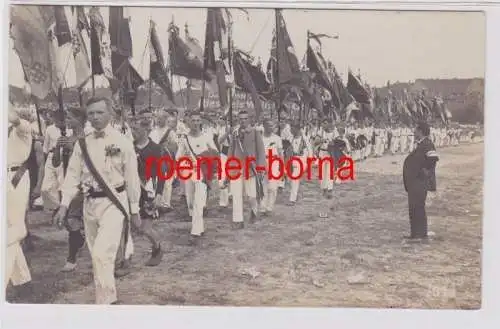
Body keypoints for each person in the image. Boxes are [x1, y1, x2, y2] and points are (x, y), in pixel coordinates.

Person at [54, 96, 141, 304]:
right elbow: (73, 175)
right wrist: (64, 206)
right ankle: (105, 298)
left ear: (110, 113)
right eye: (91, 113)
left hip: (114, 203)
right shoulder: (82, 144)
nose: (95, 117)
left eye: (99, 112)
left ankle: (107, 303)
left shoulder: (122, 142)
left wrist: (135, 210)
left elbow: (132, 178)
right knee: (97, 255)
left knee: (102, 254)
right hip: (89, 204)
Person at [52, 107, 88, 272]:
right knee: (68, 219)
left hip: (82, 185)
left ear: (80, 119)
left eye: (71, 118)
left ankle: (71, 258)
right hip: (66, 183)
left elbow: (87, 162)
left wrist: (73, 148)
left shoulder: (86, 138)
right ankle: (79, 239)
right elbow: (55, 163)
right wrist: (58, 148)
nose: (67, 121)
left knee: (73, 219)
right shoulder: (66, 137)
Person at [175, 110, 219, 244]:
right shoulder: (184, 139)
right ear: (188, 122)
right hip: (189, 173)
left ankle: (195, 233)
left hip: (202, 172)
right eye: (193, 121)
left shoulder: (206, 136)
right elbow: (178, 156)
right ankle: (199, 227)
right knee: (191, 202)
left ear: (201, 122)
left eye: (198, 121)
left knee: (199, 202)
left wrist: (205, 158)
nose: (195, 123)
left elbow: (215, 153)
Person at [127, 115, 165, 265]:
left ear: (145, 129)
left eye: (136, 129)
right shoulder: (129, 146)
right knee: (130, 225)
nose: (133, 131)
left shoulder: (156, 148)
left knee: (145, 229)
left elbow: (162, 173)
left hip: (148, 191)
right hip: (132, 190)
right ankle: (125, 258)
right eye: (132, 128)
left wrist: (159, 194)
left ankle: (157, 247)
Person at [6, 106, 33, 297]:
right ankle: (22, 279)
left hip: (17, 176)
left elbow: (16, 120)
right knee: (8, 227)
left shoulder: (24, 128)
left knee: (15, 228)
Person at [227, 110, 266, 229]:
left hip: (251, 168)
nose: (243, 121)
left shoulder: (255, 133)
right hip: (236, 168)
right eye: (240, 119)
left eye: (245, 119)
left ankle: (254, 211)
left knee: (251, 195)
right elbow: (231, 151)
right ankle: (238, 220)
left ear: (249, 120)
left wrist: (260, 168)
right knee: (236, 194)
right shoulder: (235, 133)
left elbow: (261, 151)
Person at [403, 121, 439, 243]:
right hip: (415, 182)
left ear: (421, 131)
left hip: (420, 182)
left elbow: (433, 158)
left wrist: (424, 172)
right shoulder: (421, 144)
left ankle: (419, 234)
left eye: (415, 129)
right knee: (415, 207)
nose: (414, 131)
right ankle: (417, 233)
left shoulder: (427, 144)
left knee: (417, 207)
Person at [260, 118, 283, 215]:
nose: (271, 127)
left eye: (272, 125)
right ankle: (262, 208)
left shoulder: (277, 138)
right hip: (262, 161)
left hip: (274, 162)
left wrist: (282, 166)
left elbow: (281, 153)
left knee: (273, 186)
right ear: (264, 126)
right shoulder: (260, 138)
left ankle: (269, 208)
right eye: (269, 125)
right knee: (262, 186)